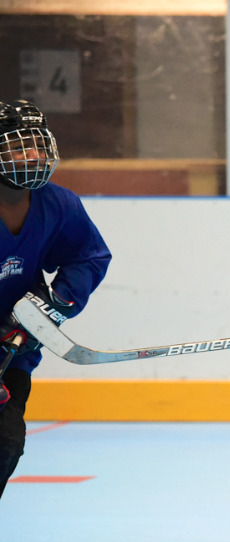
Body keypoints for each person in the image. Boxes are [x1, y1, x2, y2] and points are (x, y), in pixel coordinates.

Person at [0, 99, 111, 502]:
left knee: (6, 445)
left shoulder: (58, 203)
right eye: (18, 147)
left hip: (13, 355)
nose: (32, 155)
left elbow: (87, 257)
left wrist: (53, 306)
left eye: (37, 144)